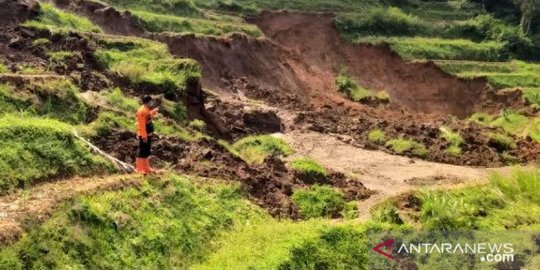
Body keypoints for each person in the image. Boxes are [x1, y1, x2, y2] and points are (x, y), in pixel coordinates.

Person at [135, 95, 159, 174]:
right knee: (141, 150)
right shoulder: (141, 111)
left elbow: (148, 116)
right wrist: (144, 136)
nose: (152, 103)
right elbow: (141, 125)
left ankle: (146, 167)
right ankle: (139, 168)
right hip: (144, 135)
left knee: (146, 151)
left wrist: (153, 112)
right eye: (151, 101)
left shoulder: (147, 109)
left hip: (148, 134)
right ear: (148, 102)